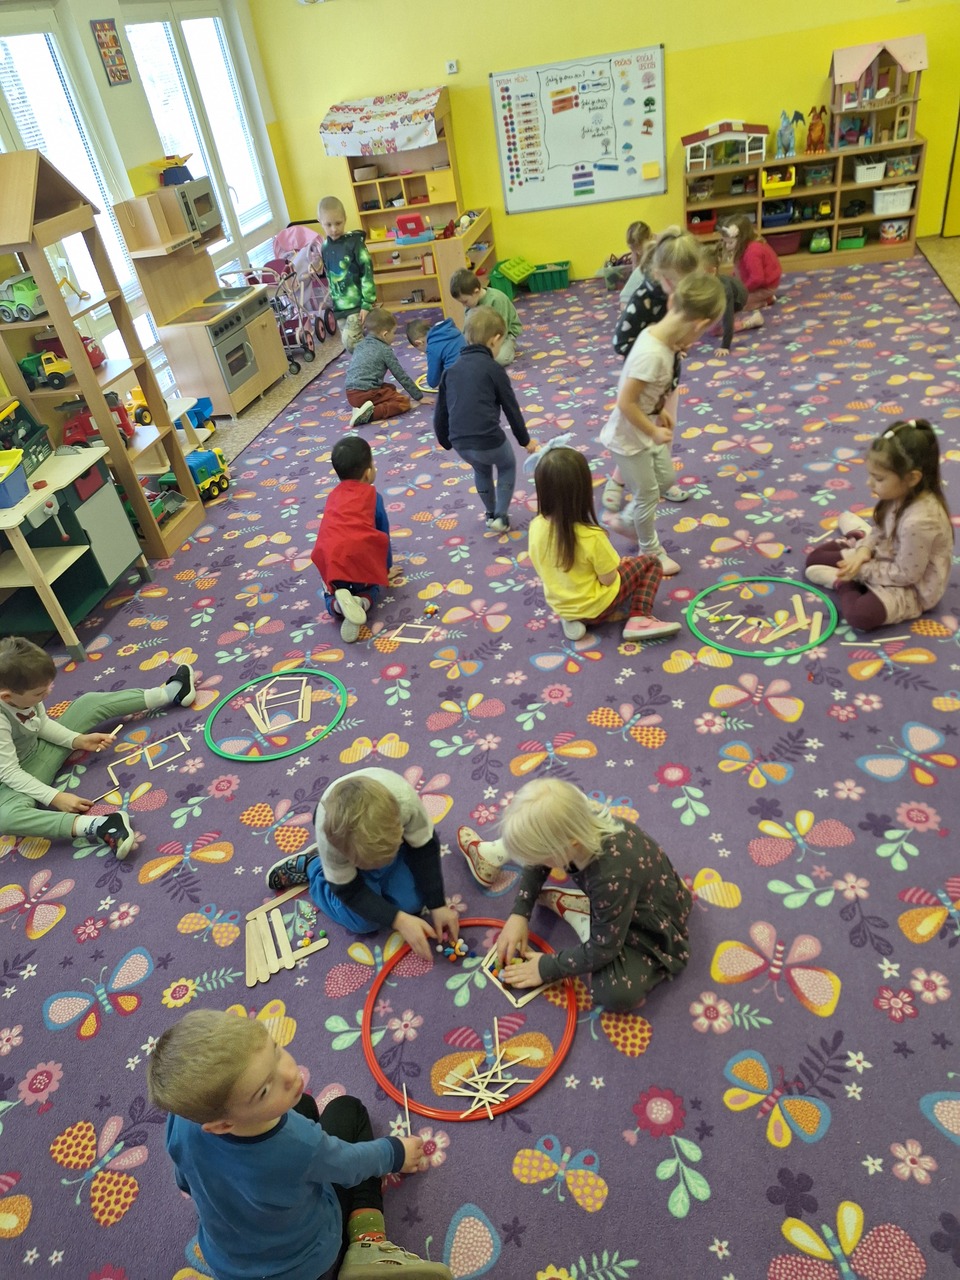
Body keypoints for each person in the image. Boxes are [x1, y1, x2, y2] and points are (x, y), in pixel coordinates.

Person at [149, 1009, 452, 1280]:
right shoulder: (300, 1144)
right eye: (264, 1090)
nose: (290, 1074)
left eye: (275, 1050)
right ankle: (368, 1243)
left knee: (303, 1105)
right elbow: (353, 1164)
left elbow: (185, 1179)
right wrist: (397, 1152)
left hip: (231, 1264)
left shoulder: (182, 1122)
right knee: (348, 1109)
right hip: (306, 1260)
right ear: (223, 1125)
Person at [461, 779, 692, 1012]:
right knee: (540, 848)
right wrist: (519, 913)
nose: (535, 863)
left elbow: (604, 949)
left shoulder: (609, 877)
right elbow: (538, 861)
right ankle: (592, 914)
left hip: (645, 921)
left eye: (540, 857)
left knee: (615, 993)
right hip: (620, 896)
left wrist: (545, 968)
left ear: (570, 844)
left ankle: (587, 918)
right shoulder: (576, 820)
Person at [0, 636, 195, 859]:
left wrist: (77, 740)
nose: (47, 694)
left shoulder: (23, 691)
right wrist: (55, 797)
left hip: (38, 750)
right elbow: (10, 772)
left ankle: (171, 692)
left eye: (47, 688)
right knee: (5, 818)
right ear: (6, 696)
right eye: (38, 694)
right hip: (11, 782)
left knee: (87, 703)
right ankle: (101, 825)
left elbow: (40, 724)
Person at [599, 273, 726, 577]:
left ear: (671, 302)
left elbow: (649, 392)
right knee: (646, 495)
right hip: (629, 439)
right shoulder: (653, 354)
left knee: (666, 480)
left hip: (646, 428)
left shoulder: (662, 339)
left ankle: (626, 521)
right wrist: (653, 430)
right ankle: (650, 551)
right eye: (703, 332)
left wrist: (659, 412)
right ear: (699, 324)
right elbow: (626, 402)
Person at [265, 767, 459, 961]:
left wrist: (437, 904)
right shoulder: (330, 839)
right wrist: (398, 920)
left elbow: (424, 849)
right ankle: (313, 865)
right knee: (362, 922)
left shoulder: (406, 802)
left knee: (415, 902)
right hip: (348, 863)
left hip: (390, 845)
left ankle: (382, 860)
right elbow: (349, 891)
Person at [804, 418, 953, 630]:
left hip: (910, 586)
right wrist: (863, 550)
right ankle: (857, 536)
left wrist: (858, 571)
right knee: (814, 558)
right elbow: (881, 527)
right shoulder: (901, 491)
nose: (869, 483)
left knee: (859, 615)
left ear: (912, 478)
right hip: (886, 554)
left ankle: (844, 584)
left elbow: (906, 575)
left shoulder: (920, 522)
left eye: (879, 478)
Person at [527, 444, 680, 645]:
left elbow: (542, 567)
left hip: (562, 604)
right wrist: (617, 566)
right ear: (582, 490)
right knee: (651, 562)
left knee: (583, 573)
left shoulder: (536, 526)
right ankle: (640, 619)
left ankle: (572, 618)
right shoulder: (591, 536)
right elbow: (608, 580)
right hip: (597, 608)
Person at [605, 229, 701, 514]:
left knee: (664, 430)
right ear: (663, 277)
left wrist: (680, 343)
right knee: (633, 434)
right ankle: (617, 480)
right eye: (680, 284)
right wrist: (656, 348)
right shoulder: (643, 299)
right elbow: (620, 342)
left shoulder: (681, 293)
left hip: (668, 377)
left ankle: (663, 480)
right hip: (643, 380)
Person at [433, 307, 537, 533]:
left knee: (481, 470)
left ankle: (489, 514)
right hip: (489, 439)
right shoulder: (494, 369)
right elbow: (511, 408)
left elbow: (440, 412)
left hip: (460, 441)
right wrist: (525, 440)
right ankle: (501, 516)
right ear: (495, 339)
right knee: (507, 465)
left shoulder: (450, 371)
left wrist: (445, 440)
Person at [310, 435, 394, 644]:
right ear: (368, 473)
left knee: (329, 592)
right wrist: (386, 569)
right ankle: (361, 602)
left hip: (331, 562)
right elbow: (383, 536)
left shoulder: (332, 496)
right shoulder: (373, 497)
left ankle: (338, 605)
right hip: (359, 561)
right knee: (372, 588)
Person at [345, 308, 423, 426]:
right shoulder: (384, 350)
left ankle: (362, 407)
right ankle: (367, 415)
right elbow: (400, 375)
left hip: (351, 393)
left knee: (390, 388)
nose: (394, 336)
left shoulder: (360, 344)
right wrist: (419, 397)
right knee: (403, 402)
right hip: (365, 393)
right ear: (385, 334)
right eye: (394, 332)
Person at [318, 196, 376, 353]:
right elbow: (329, 275)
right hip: (339, 306)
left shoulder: (354, 243)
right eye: (328, 225)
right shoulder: (324, 246)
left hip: (356, 304)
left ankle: (371, 363)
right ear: (320, 222)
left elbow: (367, 271)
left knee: (351, 341)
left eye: (338, 223)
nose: (334, 229)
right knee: (352, 346)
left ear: (345, 219)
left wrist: (367, 302)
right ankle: (371, 362)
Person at [449, 267, 521, 366]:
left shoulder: (496, 299)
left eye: (465, 301)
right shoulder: (470, 305)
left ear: (476, 291)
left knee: (498, 359)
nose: (464, 306)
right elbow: (467, 331)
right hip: (481, 338)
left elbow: (502, 331)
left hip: (504, 336)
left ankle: (510, 348)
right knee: (457, 355)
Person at [700, 243, 760, 353]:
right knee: (705, 324)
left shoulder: (724, 290)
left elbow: (727, 319)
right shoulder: (701, 281)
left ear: (712, 272)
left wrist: (725, 346)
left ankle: (751, 321)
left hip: (738, 299)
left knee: (714, 330)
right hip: (719, 295)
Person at [719, 213, 782, 319]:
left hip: (765, 287)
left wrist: (742, 291)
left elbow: (757, 279)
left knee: (738, 305)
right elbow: (740, 268)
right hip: (752, 282)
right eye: (725, 242)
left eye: (730, 243)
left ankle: (766, 300)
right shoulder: (743, 247)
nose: (727, 246)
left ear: (742, 239)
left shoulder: (753, 252)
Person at [406, 316, 465, 391]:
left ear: (419, 343)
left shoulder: (432, 346)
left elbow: (432, 382)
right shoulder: (452, 330)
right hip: (474, 371)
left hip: (458, 382)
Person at [617, 220, 653, 310]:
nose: (638, 251)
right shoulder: (636, 253)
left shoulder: (658, 245)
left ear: (650, 238)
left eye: (639, 247)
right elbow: (635, 271)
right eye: (634, 249)